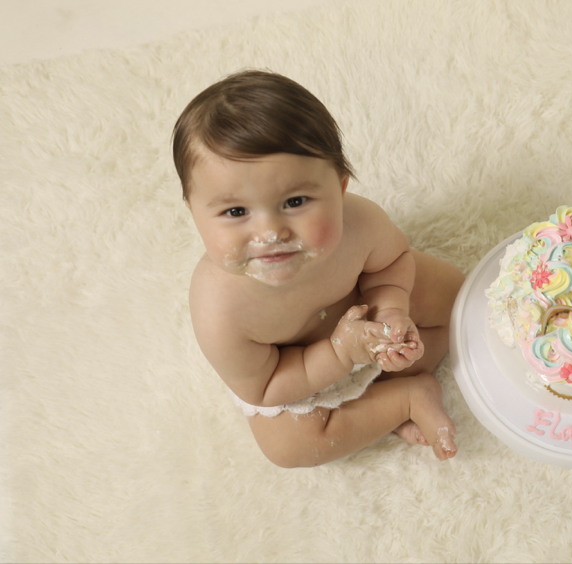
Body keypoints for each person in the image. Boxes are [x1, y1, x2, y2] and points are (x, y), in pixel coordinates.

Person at [173, 70, 465, 467]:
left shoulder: (359, 224)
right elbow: (266, 385)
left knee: (459, 300)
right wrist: (340, 354)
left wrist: (390, 310)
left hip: (362, 302)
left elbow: (392, 261)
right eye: (236, 211)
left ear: (340, 189)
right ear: (194, 212)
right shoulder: (219, 308)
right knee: (289, 447)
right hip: (296, 369)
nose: (271, 232)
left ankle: (391, 381)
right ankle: (404, 399)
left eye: (295, 202)